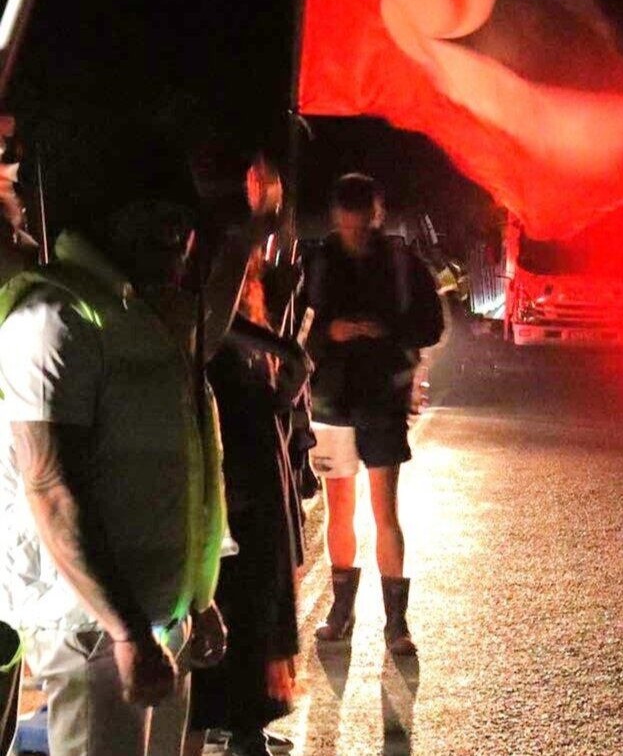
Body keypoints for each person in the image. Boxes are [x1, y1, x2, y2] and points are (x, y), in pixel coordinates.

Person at [0, 151, 273, 754]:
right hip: (94, 628)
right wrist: (124, 632)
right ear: (104, 220)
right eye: (150, 214)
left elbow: (186, 473)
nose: (172, 233)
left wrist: (195, 603)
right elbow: (49, 487)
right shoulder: (55, 318)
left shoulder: (139, 319)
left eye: (179, 218)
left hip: (155, 619)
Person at [307, 173, 444, 656]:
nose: (355, 233)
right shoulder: (318, 261)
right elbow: (300, 329)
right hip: (331, 401)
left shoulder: (402, 262)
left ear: (375, 214)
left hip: (381, 401)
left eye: (361, 224)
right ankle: (340, 613)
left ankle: (395, 623)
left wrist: (385, 330)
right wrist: (333, 332)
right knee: (338, 509)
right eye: (347, 225)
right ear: (336, 218)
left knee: (385, 510)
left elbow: (431, 325)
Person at [185, 250, 310, 756]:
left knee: (264, 581)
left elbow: (263, 347)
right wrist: (285, 350)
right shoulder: (214, 248)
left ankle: (248, 722)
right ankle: (221, 720)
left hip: (258, 431)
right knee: (236, 582)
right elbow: (213, 322)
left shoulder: (260, 260)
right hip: (229, 434)